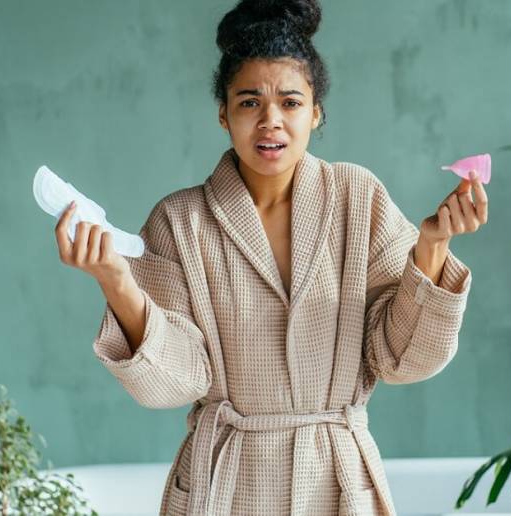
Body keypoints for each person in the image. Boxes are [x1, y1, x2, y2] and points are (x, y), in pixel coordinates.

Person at [54, 0, 487, 514]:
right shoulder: (180, 221)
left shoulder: (358, 198)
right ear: (223, 114)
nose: (270, 121)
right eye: (249, 102)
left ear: (316, 111)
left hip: (336, 479)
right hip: (225, 483)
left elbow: (402, 358)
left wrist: (432, 246)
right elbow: (175, 381)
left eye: (290, 102)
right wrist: (115, 279)